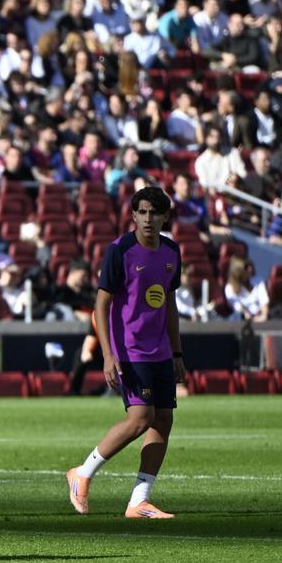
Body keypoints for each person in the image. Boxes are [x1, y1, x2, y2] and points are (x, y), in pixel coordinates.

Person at [66, 187, 184, 520]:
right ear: (133, 215)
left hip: (160, 349)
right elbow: (100, 305)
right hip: (130, 349)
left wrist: (177, 352)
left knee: (163, 420)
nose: (148, 218)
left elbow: (170, 305)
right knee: (140, 418)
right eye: (142, 212)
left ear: (164, 217)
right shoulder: (120, 251)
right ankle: (82, 473)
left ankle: (139, 501)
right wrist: (107, 354)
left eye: (155, 212)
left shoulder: (172, 251)